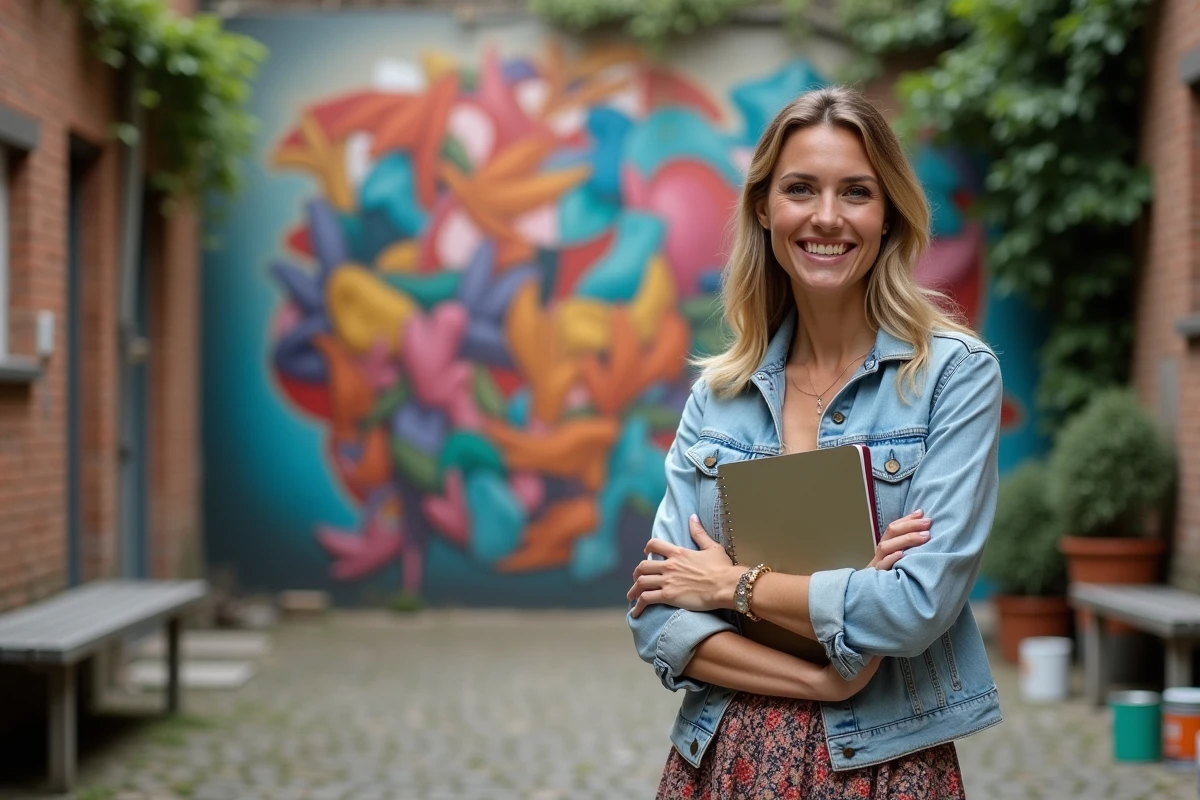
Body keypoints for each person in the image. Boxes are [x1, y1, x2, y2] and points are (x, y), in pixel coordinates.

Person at [626, 85, 1003, 800]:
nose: (827, 217)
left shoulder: (954, 377)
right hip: (725, 755)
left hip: (886, 762)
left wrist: (732, 586)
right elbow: (657, 617)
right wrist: (822, 676)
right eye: (801, 189)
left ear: (887, 211)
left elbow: (916, 608)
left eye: (855, 192)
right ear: (765, 208)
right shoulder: (719, 396)